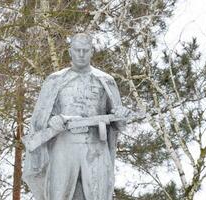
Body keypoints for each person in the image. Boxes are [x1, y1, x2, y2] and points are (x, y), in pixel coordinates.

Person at [22, 33, 129, 200]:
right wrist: (53, 120)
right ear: (70, 51)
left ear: (92, 51)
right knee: (58, 195)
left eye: (85, 50)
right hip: (63, 145)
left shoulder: (105, 80)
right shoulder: (55, 80)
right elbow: (40, 119)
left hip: (95, 146)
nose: (81, 54)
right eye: (77, 50)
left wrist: (120, 116)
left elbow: (118, 124)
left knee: (98, 194)